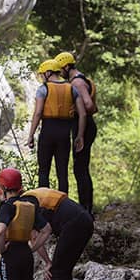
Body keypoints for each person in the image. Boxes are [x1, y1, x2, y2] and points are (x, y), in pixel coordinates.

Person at [24, 187, 94, 280]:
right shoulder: (31, 198)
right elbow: (36, 237)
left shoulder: (24, 207)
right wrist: (48, 262)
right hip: (84, 219)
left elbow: (42, 233)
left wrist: (28, 252)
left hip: (74, 224)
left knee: (58, 272)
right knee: (62, 270)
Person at [26, 60, 86, 193]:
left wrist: (31, 135)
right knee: (62, 173)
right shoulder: (72, 88)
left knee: (43, 171)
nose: (41, 77)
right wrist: (80, 136)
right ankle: (63, 205)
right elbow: (82, 114)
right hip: (65, 134)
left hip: (48, 132)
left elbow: (38, 113)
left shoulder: (43, 89)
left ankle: (43, 205)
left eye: (42, 75)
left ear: (48, 73)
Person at [54, 51, 98, 212]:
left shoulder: (77, 83)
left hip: (84, 127)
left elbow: (88, 106)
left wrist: (79, 134)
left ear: (66, 66)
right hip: (84, 126)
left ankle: (85, 207)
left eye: (60, 70)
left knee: (80, 168)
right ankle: (86, 206)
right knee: (81, 167)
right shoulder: (79, 79)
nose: (60, 73)